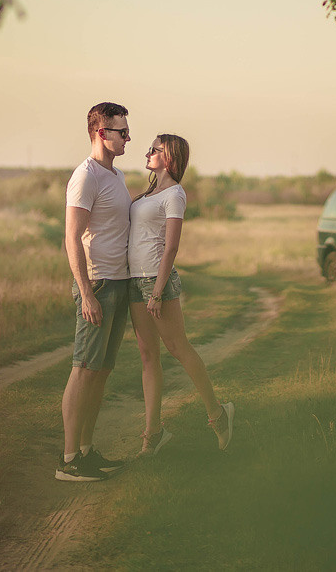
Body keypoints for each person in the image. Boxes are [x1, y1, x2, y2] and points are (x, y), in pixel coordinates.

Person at [127, 134, 234, 456]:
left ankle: (218, 415)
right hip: (134, 281)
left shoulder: (175, 194)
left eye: (155, 150)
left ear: (169, 157)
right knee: (148, 357)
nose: (148, 153)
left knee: (177, 347)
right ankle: (153, 434)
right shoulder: (149, 192)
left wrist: (158, 291)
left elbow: (171, 246)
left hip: (156, 284)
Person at [56, 101, 133, 482]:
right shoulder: (85, 177)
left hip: (119, 283)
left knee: (101, 372)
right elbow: (71, 237)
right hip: (98, 284)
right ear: (101, 133)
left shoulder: (115, 177)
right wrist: (85, 293)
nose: (128, 138)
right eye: (121, 131)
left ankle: (87, 451)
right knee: (83, 370)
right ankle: (69, 461)